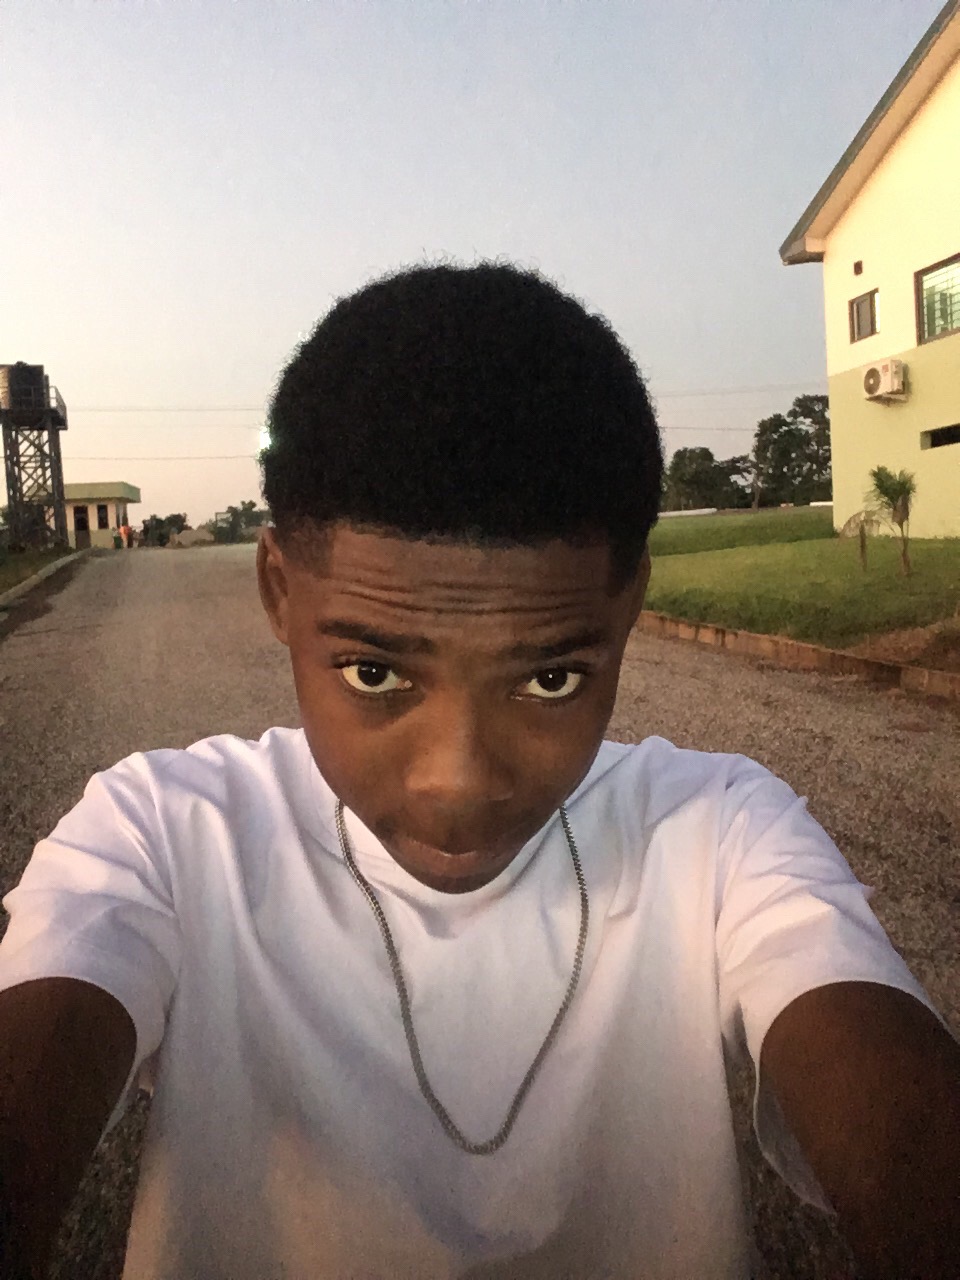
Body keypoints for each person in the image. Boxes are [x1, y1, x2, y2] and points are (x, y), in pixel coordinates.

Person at [1, 263, 958, 1280]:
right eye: (374, 672)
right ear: (280, 589)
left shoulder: (721, 832)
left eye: (550, 678)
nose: (457, 782)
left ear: (629, 602)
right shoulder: (163, 835)